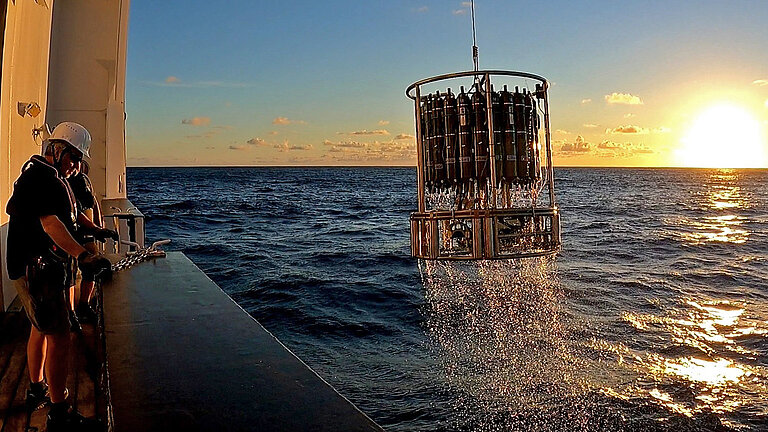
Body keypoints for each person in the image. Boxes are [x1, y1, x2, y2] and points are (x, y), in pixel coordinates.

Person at [5, 121, 115, 431]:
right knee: (59, 337)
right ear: (57, 150)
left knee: (40, 329)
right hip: (38, 270)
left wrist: (94, 229)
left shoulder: (52, 177)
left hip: (41, 268)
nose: (77, 165)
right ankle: (58, 412)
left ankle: (36, 387)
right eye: (74, 157)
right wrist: (84, 255)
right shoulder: (39, 178)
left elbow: (70, 211)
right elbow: (52, 223)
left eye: (80, 159)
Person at [66, 161, 103, 330]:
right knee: (70, 275)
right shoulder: (65, 183)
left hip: (87, 233)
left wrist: (98, 227)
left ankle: (84, 304)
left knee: (91, 269)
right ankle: (71, 312)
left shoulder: (85, 182)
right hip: (73, 233)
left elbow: (93, 204)